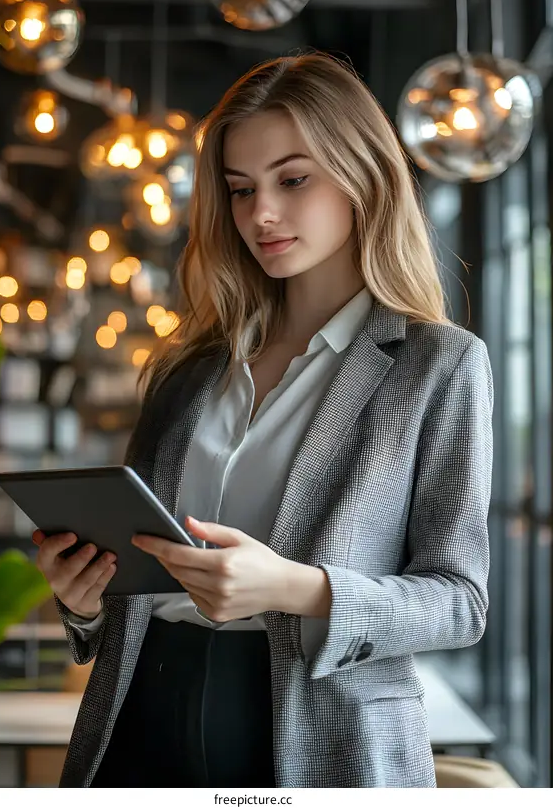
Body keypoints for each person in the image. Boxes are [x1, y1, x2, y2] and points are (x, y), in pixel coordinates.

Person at [33, 52, 493, 789]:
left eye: (293, 180)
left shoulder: (437, 365)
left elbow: (459, 601)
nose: (260, 214)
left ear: (364, 176)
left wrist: (293, 587)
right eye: (241, 189)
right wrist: (83, 598)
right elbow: (134, 579)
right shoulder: (188, 370)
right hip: (140, 715)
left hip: (321, 734)